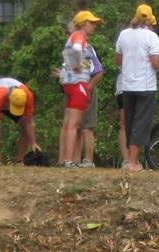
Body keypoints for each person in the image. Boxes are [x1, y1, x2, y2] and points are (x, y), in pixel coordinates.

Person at [115, 4, 159, 172]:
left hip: (127, 85)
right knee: (141, 123)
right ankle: (133, 162)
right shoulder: (151, 37)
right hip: (146, 85)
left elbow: (118, 60)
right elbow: (156, 64)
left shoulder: (124, 35)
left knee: (129, 122)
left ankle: (129, 159)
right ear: (149, 19)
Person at [58, 10, 103, 168]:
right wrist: (78, 66)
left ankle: (67, 159)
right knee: (74, 124)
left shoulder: (72, 38)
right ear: (84, 23)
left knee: (71, 123)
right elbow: (77, 50)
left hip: (70, 84)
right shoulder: (79, 36)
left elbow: (68, 58)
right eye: (92, 23)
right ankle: (69, 160)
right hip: (78, 84)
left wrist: (74, 67)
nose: (94, 26)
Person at [0, 77, 41, 165]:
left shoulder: (28, 95)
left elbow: (29, 122)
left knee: (24, 125)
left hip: (6, 99)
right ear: (8, 100)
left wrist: (33, 142)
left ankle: (19, 161)